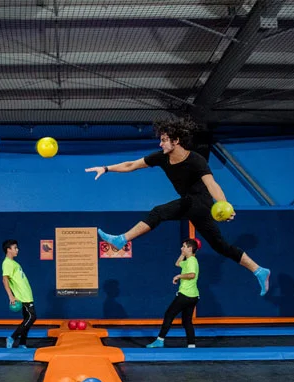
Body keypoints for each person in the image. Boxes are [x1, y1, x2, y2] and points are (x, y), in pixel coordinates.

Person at [85, 118, 270, 296]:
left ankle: (122, 239)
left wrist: (224, 205)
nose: (160, 144)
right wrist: (106, 168)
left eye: (164, 140)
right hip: (192, 207)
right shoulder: (161, 158)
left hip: (200, 202)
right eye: (161, 140)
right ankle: (259, 270)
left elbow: (212, 184)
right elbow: (131, 165)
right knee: (220, 246)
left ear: (176, 140)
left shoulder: (196, 160)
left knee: (159, 212)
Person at [147, 239, 200, 348]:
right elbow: (177, 263)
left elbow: (192, 275)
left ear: (190, 249)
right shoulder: (189, 260)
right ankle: (191, 345)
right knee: (186, 321)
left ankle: (160, 340)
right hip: (193, 296)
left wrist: (178, 276)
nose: (181, 248)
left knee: (169, 314)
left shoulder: (192, 261)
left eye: (184, 246)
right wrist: (182, 253)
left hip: (185, 295)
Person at [2, 239, 36, 349]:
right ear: (8, 249)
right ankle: (12, 337)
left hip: (26, 295)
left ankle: (22, 343)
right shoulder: (7, 263)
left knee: (27, 319)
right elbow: (5, 280)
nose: (17, 250)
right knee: (32, 317)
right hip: (22, 296)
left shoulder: (14, 263)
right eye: (15, 248)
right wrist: (11, 296)